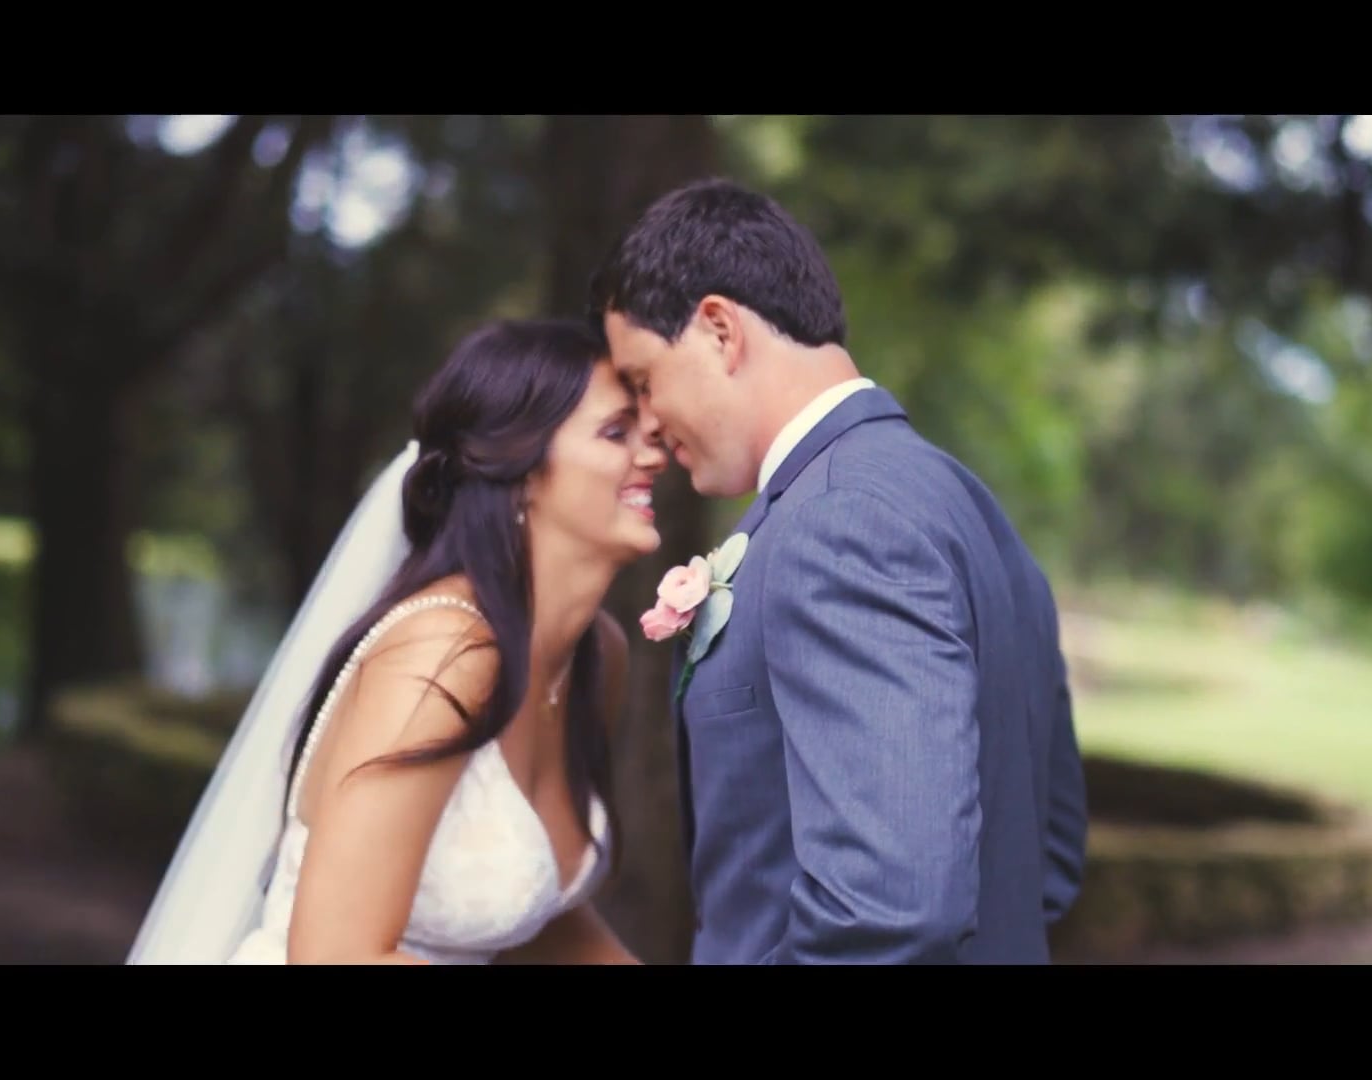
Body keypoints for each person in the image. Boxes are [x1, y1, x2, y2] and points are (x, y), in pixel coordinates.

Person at [590, 177, 1090, 964]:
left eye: (645, 381)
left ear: (719, 329)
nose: (645, 426)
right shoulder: (966, 504)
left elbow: (891, 908)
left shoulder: (837, 521)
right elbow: (1048, 865)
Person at [127, 316, 664, 964]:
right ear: (521, 470)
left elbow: (537, 914)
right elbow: (333, 955)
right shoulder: (441, 653)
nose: (655, 454)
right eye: (617, 433)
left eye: (651, 433)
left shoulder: (596, 659)